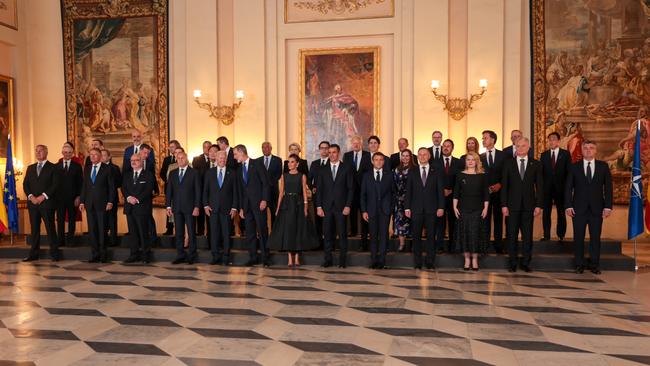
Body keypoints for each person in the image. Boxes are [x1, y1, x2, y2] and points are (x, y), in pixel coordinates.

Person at [565, 140, 613, 275]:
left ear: (595, 151)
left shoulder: (603, 166)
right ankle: (579, 264)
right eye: (585, 148)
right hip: (578, 209)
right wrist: (568, 205)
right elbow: (568, 188)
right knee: (578, 238)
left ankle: (594, 265)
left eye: (591, 148)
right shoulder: (574, 167)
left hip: (597, 209)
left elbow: (608, 188)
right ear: (582, 150)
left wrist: (608, 206)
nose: (588, 150)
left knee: (595, 238)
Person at [268, 154, 319, 267]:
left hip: (298, 204)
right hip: (286, 204)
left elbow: (305, 194)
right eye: (288, 162)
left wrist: (305, 207)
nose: (289, 164)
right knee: (288, 230)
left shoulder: (302, 176)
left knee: (298, 230)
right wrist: (277, 209)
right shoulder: (284, 176)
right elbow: (281, 194)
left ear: (297, 163)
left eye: (292, 162)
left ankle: (296, 258)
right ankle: (289, 259)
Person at [500, 137, 543, 272]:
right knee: (511, 235)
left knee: (527, 236)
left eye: (523, 146)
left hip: (529, 207)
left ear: (528, 147)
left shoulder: (535, 164)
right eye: (518, 146)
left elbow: (540, 187)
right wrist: (504, 205)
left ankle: (526, 262)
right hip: (511, 206)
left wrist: (538, 205)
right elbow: (504, 186)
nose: (520, 148)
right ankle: (512, 263)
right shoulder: (508, 163)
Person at [405, 147, 445, 270]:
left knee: (431, 237)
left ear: (429, 156)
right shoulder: (412, 171)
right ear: (417, 157)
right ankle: (417, 262)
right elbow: (409, 191)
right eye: (420, 154)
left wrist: (441, 207)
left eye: (424, 154)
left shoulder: (436, 171)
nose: (422, 156)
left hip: (432, 209)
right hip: (416, 209)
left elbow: (440, 191)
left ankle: (430, 262)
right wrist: (407, 207)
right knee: (416, 237)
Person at [316, 144, 354, 268]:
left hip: (341, 207)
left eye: (334, 152)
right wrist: (319, 206)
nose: (331, 154)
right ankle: (328, 260)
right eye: (330, 152)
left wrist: (348, 205)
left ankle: (342, 261)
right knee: (327, 234)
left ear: (338, 153)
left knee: (342, 234)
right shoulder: (322, 169)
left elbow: (350, 189)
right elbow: (319, 190)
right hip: (326, 208)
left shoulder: (346, 168)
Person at [234, 144, 272, 266]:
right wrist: (241, 208)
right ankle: (253, 257)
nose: (234, 157)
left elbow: (265, 183)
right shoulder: (239, 169)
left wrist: (264, 200)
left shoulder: (257, 164)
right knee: (249, 232)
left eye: (235, 154)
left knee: (262, 230)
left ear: (241, 152)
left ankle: (266, 258)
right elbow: (240, 190)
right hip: (246, 206)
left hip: (259, 203)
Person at [23, 145, 60, 261]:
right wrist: (31, 196)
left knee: (50, 228)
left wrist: (43, 196)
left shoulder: (53, 168)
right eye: (36, 151)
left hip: (47, 203)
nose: (38, 153)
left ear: (46, 152)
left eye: (41, 151)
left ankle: (54, 254)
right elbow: (26, 184)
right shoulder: (30, 168)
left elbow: (55, 185)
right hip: (33, 204)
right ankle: (33, 254)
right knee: (34, 229)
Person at [453, 152, 489, 271]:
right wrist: (454, 207)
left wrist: (485, 208)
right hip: (463, 208)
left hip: (478, 209)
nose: (470, 161)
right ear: (466, 161)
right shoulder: (460, 175)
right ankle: (467, 260)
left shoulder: (482, 175)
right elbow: (456, 193)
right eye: (468, 159)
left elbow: (486, 194)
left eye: (473, 159)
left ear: (477, 161)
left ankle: (475, 260)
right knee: (465, 234)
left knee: (475, 234)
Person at [79, 148, 115, 263]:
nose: (93, 157)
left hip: (103, 204)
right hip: (89, 204)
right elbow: (84, 186)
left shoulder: (107, 169)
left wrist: (110, 201)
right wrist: (82, 201)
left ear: (100, 156)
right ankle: (95, 254)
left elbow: (112, 187)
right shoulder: (87, 168)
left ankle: (103, 255)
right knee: (92, 230)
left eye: (95, 155)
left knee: (102, 230)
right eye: (91, 155)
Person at [203, 150, 239, 265]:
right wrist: (205, 205)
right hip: (212, 209)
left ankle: (226, 257)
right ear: (216, 159)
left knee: (226, 234)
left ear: (226, 159)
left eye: (224, 158)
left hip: (227, 210)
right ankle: (215, 256)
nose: (222, 160)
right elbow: (205, 191)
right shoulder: (209, 173)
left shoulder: (232, 173)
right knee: (214, 233)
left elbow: (235, 192)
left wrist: (234, 208)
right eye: (220, 158)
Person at [166, 151, 202, 264]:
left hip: (190, 208)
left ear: (186, 159)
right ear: (176, 159)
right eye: (178, 158)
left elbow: (198, 192)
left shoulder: (194, 173)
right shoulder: (172, 173)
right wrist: (168, 206)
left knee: (191, 232)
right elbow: (169, 191)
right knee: (179, 232)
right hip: (177, 207)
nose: (180, 160)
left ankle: (192, 255)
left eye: (182, 158)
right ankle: (180, 254)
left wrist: (197, 207)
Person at [361, 153, 394, 269]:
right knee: (373, 236)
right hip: (371, 210)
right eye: (376, 160)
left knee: (384, 236)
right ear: (372, 161)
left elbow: (393, 193)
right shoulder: (366, 176)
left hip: (385, 211)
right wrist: (364, 211)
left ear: (384, 162)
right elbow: (363, 195)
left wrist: (390, 209)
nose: (378, 162)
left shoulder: (390, 175)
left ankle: (382, 260)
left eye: (381, 160)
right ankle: (374, 260)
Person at [122, 154, 156, 263]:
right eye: (132, 160)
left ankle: (146, 255)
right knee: (133, 233)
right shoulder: (127, 175)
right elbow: (124, 188)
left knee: (143, 232)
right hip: (130, 208)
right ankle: (134, 254)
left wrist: (136, 199)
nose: (133, 162)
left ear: (141, 161)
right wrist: (128, 198)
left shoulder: (149, 175)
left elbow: (148, 190)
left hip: (142, 207)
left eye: (136, 160)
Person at [540, 132, 569, 241]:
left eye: (553, 139)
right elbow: (541, 174)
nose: (551, 141)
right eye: (549, 139)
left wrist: (567, 189)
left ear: (558, 141)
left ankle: (561, 235)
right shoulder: (544, 155)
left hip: (561, 189)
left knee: (561, 212)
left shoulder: (565, 154)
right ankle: (546, 235)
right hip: (546, 190)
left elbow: (568, 173)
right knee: (546, 213)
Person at [480, 130, 506, 254]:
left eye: (485, 138)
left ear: (493, 140)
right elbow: (479, 177)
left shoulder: (503, 155)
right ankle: (485, 245)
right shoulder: (480, 157)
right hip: (485, 194)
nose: (483, 140)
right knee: (484, 219)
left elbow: (506, 174)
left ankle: (498, 245)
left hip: (500, 193)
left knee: (498, 220)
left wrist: (500, 184)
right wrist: (487, 188)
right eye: (483, 138)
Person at [343, 135, 371, 250]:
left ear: (361, 143)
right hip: (351, 190)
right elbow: (345, 172)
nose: (355, 145)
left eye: (357, 143)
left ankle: (366, 232)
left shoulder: (367, 155)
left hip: (364, 190)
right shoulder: (347, 156)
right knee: (353, 212)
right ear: (351, 144)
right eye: (353, 143)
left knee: (364, 212)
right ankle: (353, 231)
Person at [55, 143, 82, 247]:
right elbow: (54, 184)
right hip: (59, 199)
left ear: (72, 153)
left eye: (70, 152)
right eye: (65, 152)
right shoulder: (56, 166)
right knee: (60, 220)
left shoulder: (77, 166)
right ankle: (60, 240)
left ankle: (70, 240)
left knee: (72, 220)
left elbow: (80, 183)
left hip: (73, 198)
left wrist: (79, 197)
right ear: (62, 153)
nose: (67, 154)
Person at [439, 139, 463, 253]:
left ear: (452, 148)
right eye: (444, 146)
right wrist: (442, 190)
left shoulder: (459, 162)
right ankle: (440, 246)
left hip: (454, 197)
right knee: (440, 223)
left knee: (453, 222)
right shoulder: (435, 162)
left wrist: (451, 190)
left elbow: (460, 180)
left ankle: (453, 247)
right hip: (440, 197)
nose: (446, 147)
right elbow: (433, 180)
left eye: (448, 146)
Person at [308, 140, 330, 248]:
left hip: (330, 197)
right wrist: (312, 188)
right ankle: (319, 244)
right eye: (322, 148)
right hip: (318, 197)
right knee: (318, 221)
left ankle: (329, 244)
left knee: (329, 221)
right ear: (319, 150)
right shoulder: (315, 163)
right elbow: (309, 179)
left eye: (326, 148)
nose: (324, 150)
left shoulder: (333, 162)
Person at [393, 148, 414, 252]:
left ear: (410, 157)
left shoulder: (415, 169)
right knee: (400, 222)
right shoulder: (397, 169)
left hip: (412, 199)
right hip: (399, 200)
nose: (405, 158)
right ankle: (402, 244)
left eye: (407, 156)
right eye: (403, 155)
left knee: (413, 222)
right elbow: (394, 185)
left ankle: (414, 244)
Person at [258, 141, 283, 226]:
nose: (265, 149)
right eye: (263, 147)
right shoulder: (258, 161)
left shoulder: (278, 160)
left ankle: (274, 232)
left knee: (274, 212)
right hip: (261, 192)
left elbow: (279, 174)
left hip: (273, 191)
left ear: (271, 148)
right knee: (262, 213)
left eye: (267, 147)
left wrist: (268, 184)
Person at [101, 149, 122, 247]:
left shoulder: (114, 168)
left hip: (111, 198)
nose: (102, 157)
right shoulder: (98, 168)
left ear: (109, 157)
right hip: (100, 199)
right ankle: (103, 240)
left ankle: (113, 240)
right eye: (100, 155)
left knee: (112, 220)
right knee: (102, 221)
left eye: (104, 155)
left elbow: (118, 183)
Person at [191, 141, 212, 237]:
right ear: (202, 148)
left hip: (211, 192)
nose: (207, 149)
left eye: (209, 147)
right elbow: (195, 176)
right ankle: (200, 233)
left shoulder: (215, 160)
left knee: (210, 214)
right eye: (205, 147)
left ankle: (210, 234)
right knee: (200, 214)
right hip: (200, 190)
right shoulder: (196, 159)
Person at [160, 140, 181, 235]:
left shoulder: (182, 159)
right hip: (169, 188)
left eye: (172, 147)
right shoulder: (167, 159)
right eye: (169, 147)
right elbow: (162, 173)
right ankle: (169, 228)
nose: (170, 148)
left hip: (180, 190)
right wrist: (169, 182)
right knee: (169, 208)